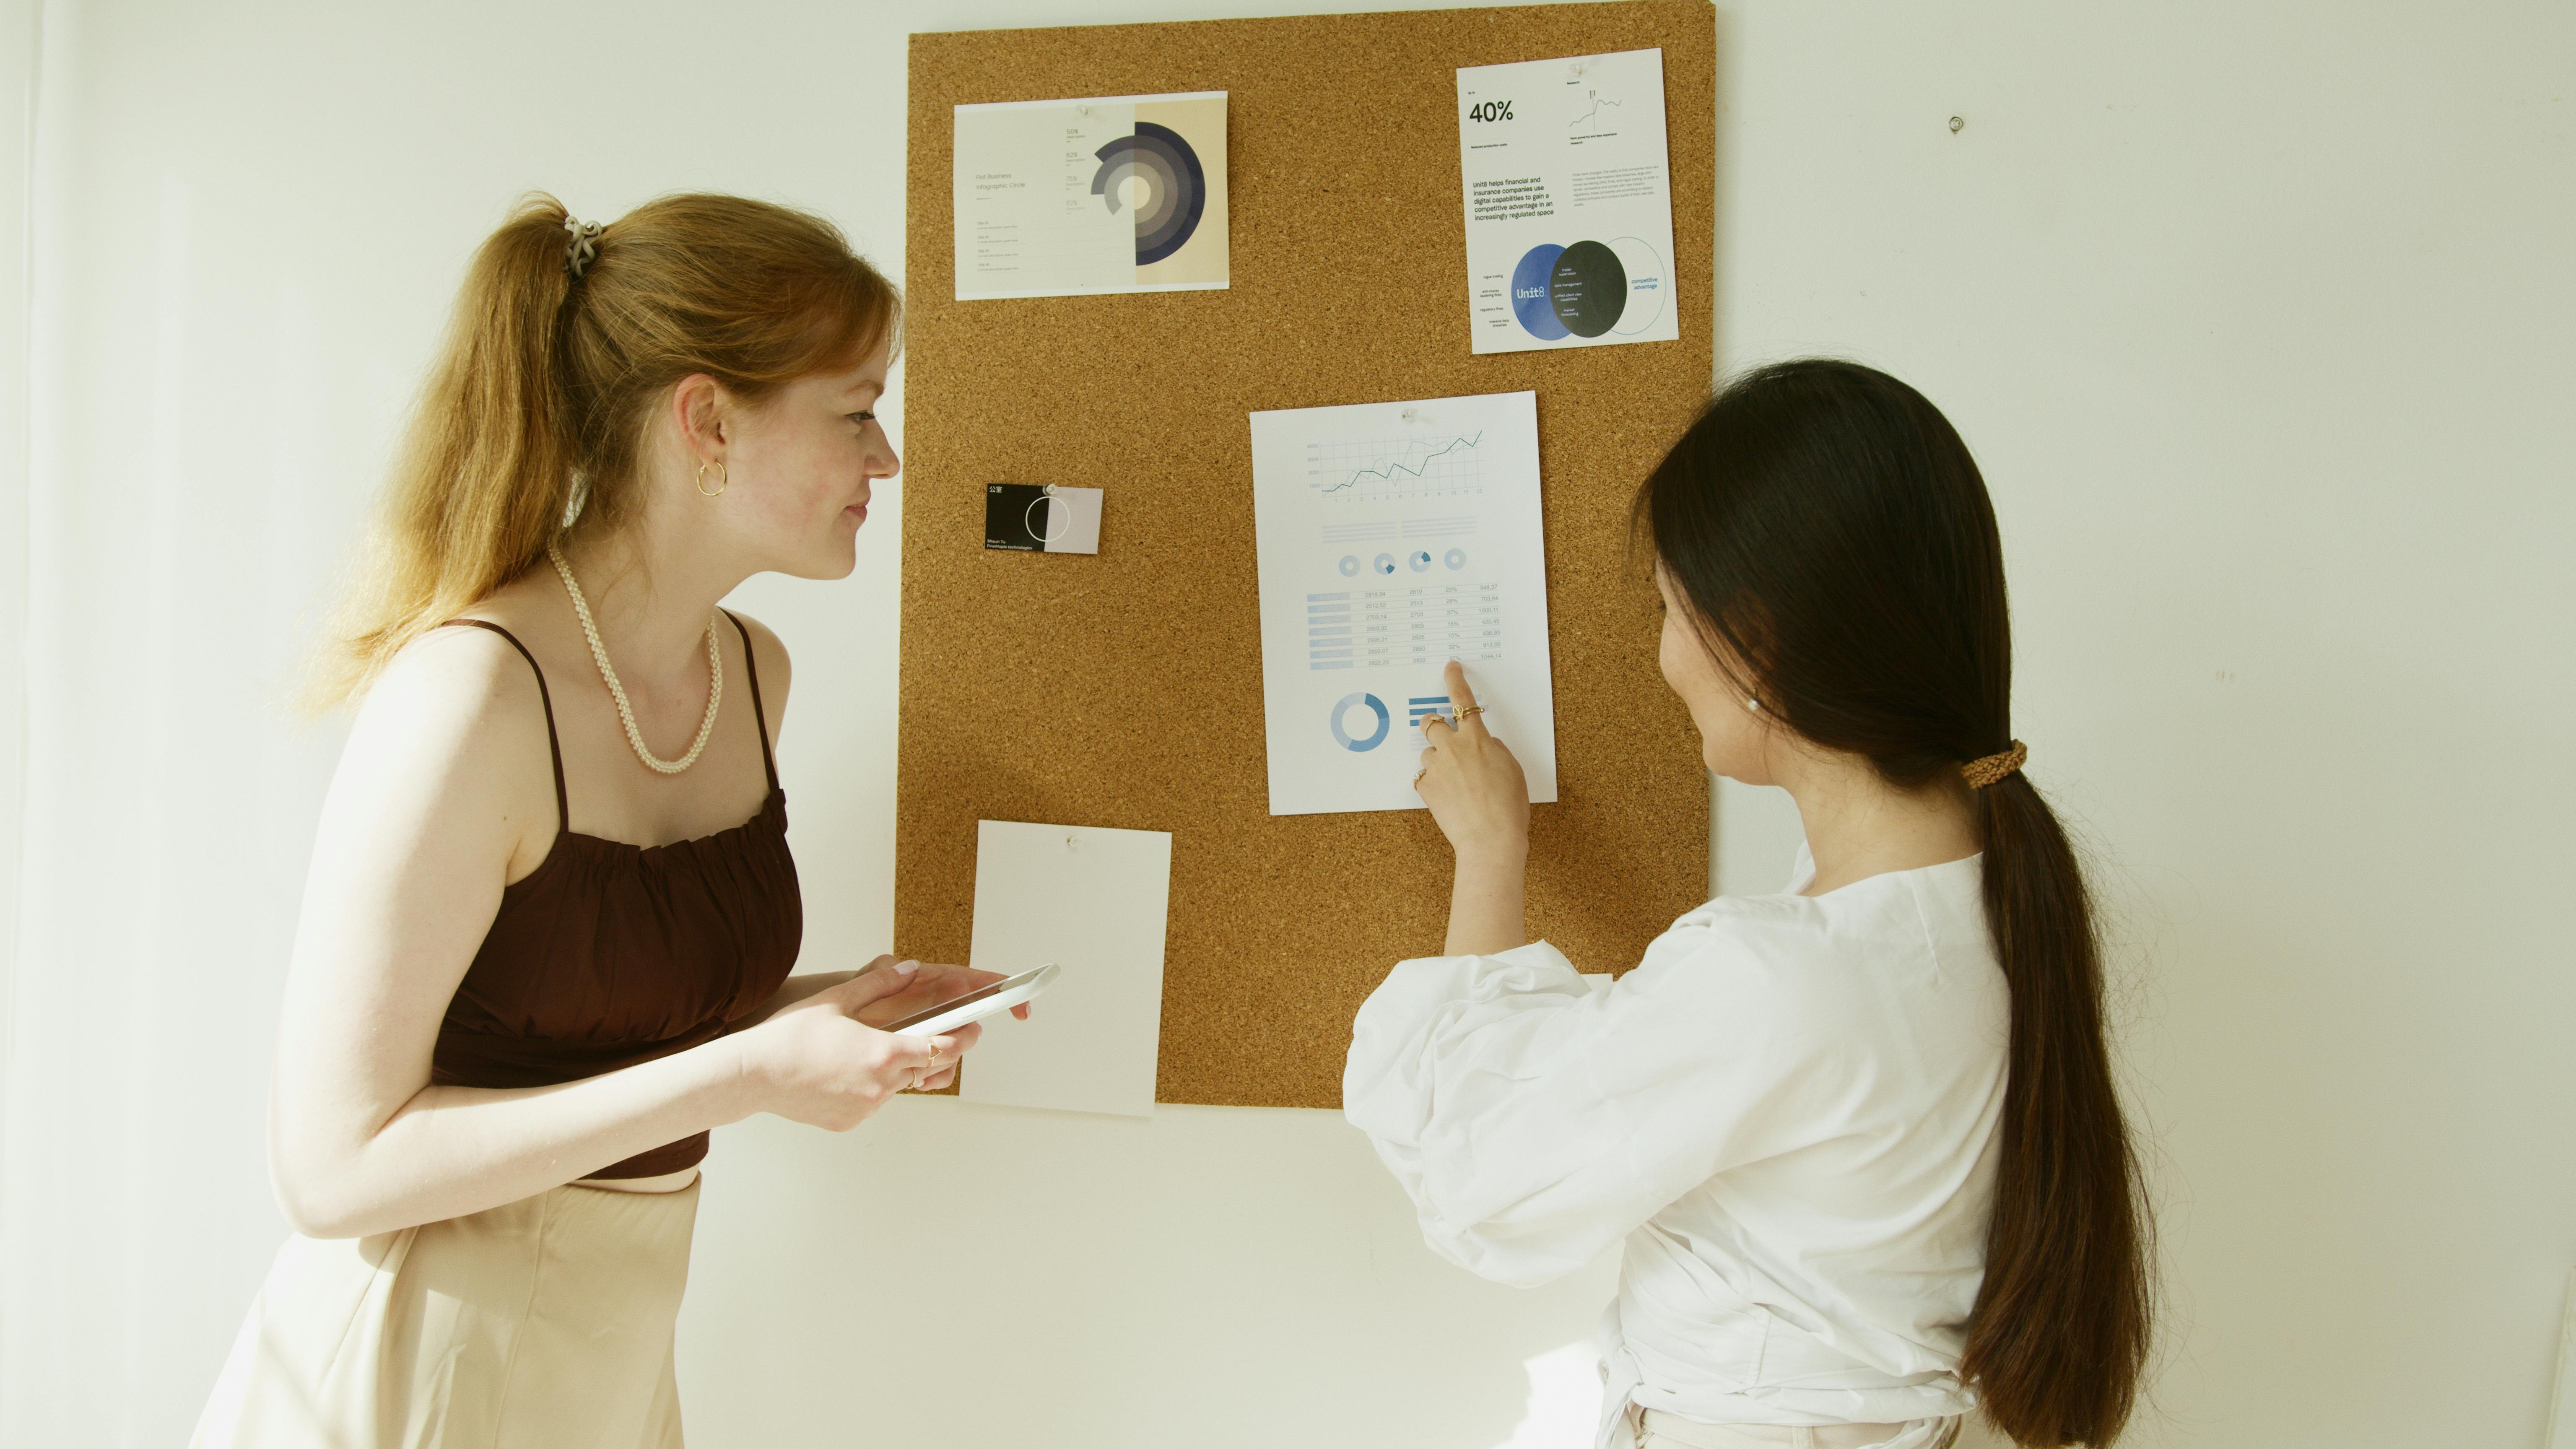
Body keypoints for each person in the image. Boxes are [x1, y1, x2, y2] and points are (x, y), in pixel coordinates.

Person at [193, 192, 1021, 1448]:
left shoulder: (753, 676)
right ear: (707, 422)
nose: (887, 458)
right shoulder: (469, 700)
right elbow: (330, 1169)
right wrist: (749, 1074)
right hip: (420, 1363)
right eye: (856, 411)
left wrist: (823, 1011)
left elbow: (596, 1012)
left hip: (614, 1365)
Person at [1345, 360, 2153, 1449]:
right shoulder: (1975, 898)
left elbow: (1481, 1176)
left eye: (1669, 608)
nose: (1661, 651)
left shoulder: (1789, 978)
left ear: (1755, 644)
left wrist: (1489, 854)